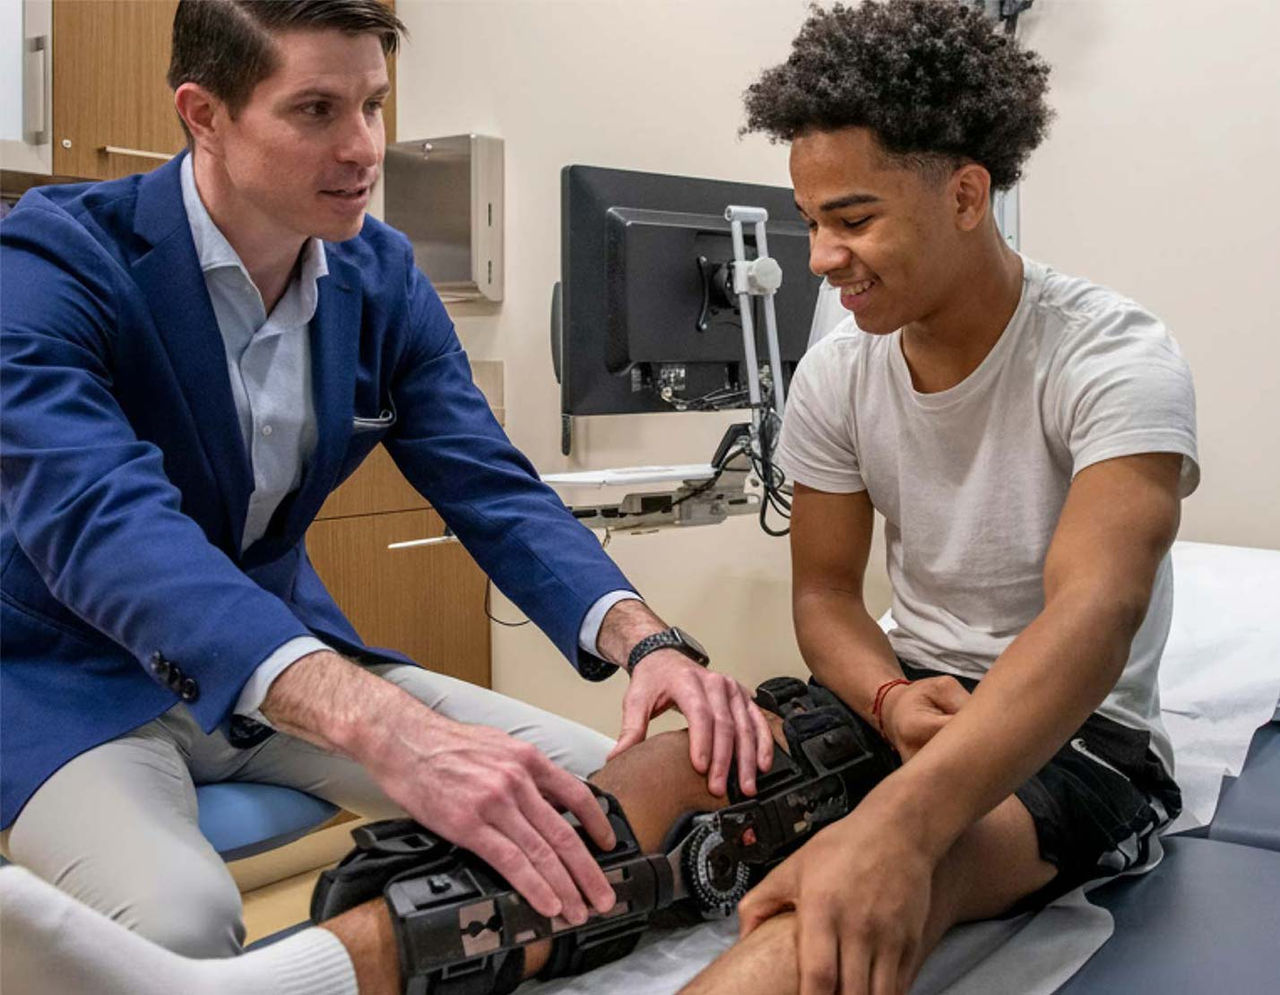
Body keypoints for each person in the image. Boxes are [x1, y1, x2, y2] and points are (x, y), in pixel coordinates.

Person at [0, 0, 772, 966]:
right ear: (203, 114)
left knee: (608, 807)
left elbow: (491, 483)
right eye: (316, 110)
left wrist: (646, 641)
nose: (364, 147)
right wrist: (385, 728)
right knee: (180, 927)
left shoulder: (381, 275)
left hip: (283, 658)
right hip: (72, 677)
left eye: (373, 104)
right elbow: (102, 524)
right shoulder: (53, 259)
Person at [680, 2, 1199, 993]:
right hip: (900, 697)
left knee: (847, 907)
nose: (819, 258)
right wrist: (885, 698)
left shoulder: (1111, 355)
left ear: (965, 194)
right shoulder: (835, 372)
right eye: (808, 222)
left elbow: (1095, 608)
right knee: (629, 806)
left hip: (1076, 745)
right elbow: (825, 594)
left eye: (852, 218)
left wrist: (899, 821)